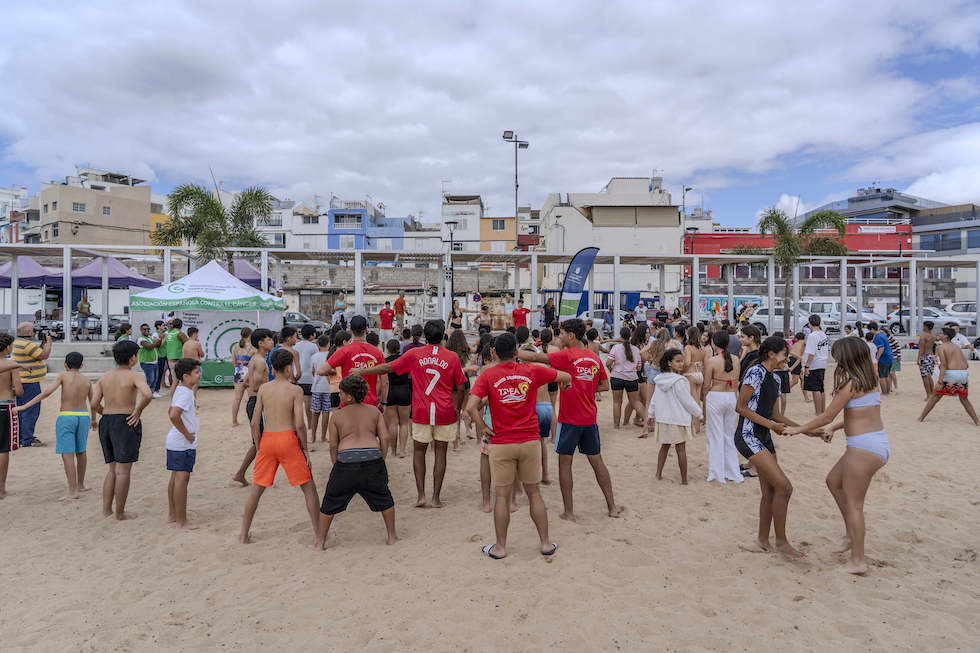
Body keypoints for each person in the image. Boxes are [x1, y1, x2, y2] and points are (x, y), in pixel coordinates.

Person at [787, 337, 888, 574]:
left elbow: (826, 416)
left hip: (863, 448)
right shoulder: (870, 380)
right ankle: (852, 536)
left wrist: (798, 429)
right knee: (833, 481)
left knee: (855, 506)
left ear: (846, 357)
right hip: (875, 443)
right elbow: (860, 415)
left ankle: (858, 561)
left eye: (837, 354)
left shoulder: (850, 384)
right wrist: (833, 429)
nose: (835, 358)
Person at [468, 332, 566, 559]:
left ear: (493, 352)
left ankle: (500, 547)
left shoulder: (488, 375)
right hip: (530, 440)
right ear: (516, 352)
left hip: (501, 441)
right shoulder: (532, 371)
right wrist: (568, 385)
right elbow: (564, 376)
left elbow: (472, 406)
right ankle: (545, 543)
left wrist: (483, 427)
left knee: (501, 496)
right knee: (535, 494)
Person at [353, 320, 466, 508]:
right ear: (443, 338)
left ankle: (421, 495)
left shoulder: (414, 354)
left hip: (421, 411)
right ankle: (436, 498)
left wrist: (362, 371)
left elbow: (387, 367)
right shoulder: (452, 357)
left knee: (419, 452)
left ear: (424, 336)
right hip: (444, 411)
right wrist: (458, 408)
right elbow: (461, 386)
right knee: (441, 454)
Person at [518, 318, 617, 521]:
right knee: (598, 463)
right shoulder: (593, 357)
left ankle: (569, 513)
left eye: (562, 334)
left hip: (570, 419)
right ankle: (612, 507)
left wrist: (513, 352)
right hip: (590, 419)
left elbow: (537, 359)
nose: (560, 337)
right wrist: (585, 386)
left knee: (565, 464)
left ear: (571, 336)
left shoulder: (567, 355)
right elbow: (604, 387)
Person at [735, 336, 822, 561]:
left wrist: (805, 429)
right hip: (749, 435)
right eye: (785, 355)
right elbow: (741, 407)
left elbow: (776, 415)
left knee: (771, 491)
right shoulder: (755, 372)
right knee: (784, 488)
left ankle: (762, 541)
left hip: (763, 435)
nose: (788, 360)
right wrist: (771, 425)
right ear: (772, 354)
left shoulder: (774, 378)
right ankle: (781, 543)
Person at [239, 349, 320, 544]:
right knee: (308, 488)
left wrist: (259, 447)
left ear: (272, 368)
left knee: (257, 490)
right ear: (290, 367)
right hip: (288, 439)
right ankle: (319, 534)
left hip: (267, 438)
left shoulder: (264, 389)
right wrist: (305, 449)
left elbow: (254, 422)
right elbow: (300, 424)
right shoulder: (295, 390)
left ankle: (243, 535)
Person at [310, 375, 398, 550]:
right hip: (373, 459)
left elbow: (333, 446)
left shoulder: (337, 416)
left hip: (346, 462)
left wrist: (336, 465)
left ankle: (319, 543)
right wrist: (382, 461)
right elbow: (385, 438)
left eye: (341, 393)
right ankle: (392, 537)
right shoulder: (374, 412)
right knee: (384, 498)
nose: (339, 396)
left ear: (349, 397)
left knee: (330, 501)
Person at [14, 351, 94, 500]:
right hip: (84, 416)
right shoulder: (87, 380)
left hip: (67, 416)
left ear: (65, 364)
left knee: (67, 453)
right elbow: (93, 401)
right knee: (81, 450)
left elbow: (46, 393)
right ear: (81, 365)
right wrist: (94, 419)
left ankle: (72, 491)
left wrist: (24, 406)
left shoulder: (62, 376)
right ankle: (81, 485)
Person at [91, 340, 153, 520]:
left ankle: (106, 510)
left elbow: (94, 404)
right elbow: (147, 395)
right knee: (123, 471)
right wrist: (138, 409)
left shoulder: (105, 376)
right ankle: (119, 513)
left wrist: (107, 414)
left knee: (112, 469)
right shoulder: (134, 376)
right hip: (125, 421)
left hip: (107, 420)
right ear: (133, 357)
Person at [651, 348, 704, 484]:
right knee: (681, 449)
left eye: (681, 361)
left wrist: (651, 414)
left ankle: (658, 475)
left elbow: (654, 399)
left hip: (664, 418)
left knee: (665, 446)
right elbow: (688, 401)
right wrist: (699, 414)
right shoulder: (679, 381)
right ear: (669, 363)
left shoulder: (659, 379)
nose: (681, 364)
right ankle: (684, 480)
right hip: (679, 419)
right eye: (677, 361)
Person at [231, 328, 275, 486]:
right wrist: (271, 385)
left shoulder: (256, 359)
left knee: (258, 443)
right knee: (261, 444)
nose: (273, 342)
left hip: (255, 403)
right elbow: (255, 387)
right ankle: (261, 478)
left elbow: (245, 383)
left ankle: (240, 473)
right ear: (261, 343)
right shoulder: (260, 361)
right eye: (269, 340)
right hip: (257, 403)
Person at [317, 316, 388, 410]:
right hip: (370, 404)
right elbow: (385, 382)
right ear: (366, 329)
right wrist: (383, 402)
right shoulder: (377, 353)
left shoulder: (344, 351)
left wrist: (330, 371)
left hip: (348, 404)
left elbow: (319, 371)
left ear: (350, 330)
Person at [701, 331, 743, 484]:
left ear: (714, 343)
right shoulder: (736, 359)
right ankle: (732, 472)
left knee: (715, 436)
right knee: (728, 436)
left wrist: (704, 401)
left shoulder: (712, 361)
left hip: (715, 397)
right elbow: (737, 382)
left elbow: (706, 385)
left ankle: (717, 473)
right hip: (731, 397)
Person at [166, 358, 202, 531]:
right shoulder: (186, 393)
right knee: (182, 479)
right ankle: (181, 521)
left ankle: (173, 514)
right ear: (186, 376)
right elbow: (173, 415)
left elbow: (171, 411)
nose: (200, 374)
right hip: (182, 442)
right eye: (197, 372)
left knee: (176, 478)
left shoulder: (181, 390)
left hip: (177, 441)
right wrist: (186, 433)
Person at [918, 327, 980, 425]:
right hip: (963, 373)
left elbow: (943, 365)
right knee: (964, 399)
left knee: (935, 396)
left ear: (945, 336)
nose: (939, 334)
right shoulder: (956, 347)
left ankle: (921, 418)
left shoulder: (940, 347)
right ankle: (977, 421)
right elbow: (966, 364)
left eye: (941, 333)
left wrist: (940, 381)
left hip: (951, 373)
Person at [12, 322, 54, 447]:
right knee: (31, 411)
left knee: (21, 410)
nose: (36, 332)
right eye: (34, 330)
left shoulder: (18, 342)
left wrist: (43, 343)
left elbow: (36, 354)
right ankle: (27, 439)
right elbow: (44, 355)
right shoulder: (26, 344)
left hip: (21, 382)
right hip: (29, 382)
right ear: (28, 332)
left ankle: (21, 437)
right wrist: (49, 342)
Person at [0, 333, 26, 499]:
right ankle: (1, 490)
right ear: (8, 347)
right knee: (3, 450)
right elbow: (20, 391)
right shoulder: (12, 365)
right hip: (6, 405)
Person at [606, 327, 645, 429]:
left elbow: (608, 363)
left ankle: (616, 425)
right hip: (632, 378)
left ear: (620, 336)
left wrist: (611, 369)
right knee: (635, 401)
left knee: (617, 402)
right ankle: (647, 422)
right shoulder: (636, 350)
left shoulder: (616, 348)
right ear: (630, 335)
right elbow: (639, 367)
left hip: (617, 376)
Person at [382, 339, 412, 458]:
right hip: (404, 390)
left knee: (393, 424)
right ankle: (403, 451)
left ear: (388, 350)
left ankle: (393, 452)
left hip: (391, 390)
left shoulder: (385, 361)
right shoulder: (404, 360)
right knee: (404, 423)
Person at [308, 334, 333, 446]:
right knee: (326, 412)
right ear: (328, 344)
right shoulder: (331, 356)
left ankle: (313, 437)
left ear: (317, 345)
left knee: (315, 412)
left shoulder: (314, 356)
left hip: (317, 387)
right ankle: (323, 436)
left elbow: (313, 372)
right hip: (328, 387)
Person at [803, 315, 830, 412]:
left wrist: (807, 366)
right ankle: (822, 411)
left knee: (816, 389)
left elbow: (811, 352)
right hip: (822, 363)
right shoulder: (823, 334)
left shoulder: (812, 336)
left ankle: (818, 412)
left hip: (814, 364)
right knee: (821, 389)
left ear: (809, 324)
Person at [294, 324, 319, 429]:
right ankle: (309, 423)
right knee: (308, 401)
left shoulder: (295, 346)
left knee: (298, 402)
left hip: (297, 376)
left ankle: (299, 423)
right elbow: (317, 361)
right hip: (309, 377)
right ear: (312, 335)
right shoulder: (313, 346)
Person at [231, 327, 256, 427]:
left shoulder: (235, 347)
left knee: (237, 398)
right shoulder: (253, 347)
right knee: (252, 397)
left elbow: (233, 362)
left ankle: (234, 421)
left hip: (238, 370)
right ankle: (253, 418)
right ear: (250, 335)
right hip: (248, 371)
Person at [136, 324, 164, 400]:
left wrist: (159, 340)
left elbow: (158, 346)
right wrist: (158, 340)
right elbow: (150, 347)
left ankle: (151, 393)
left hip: (153, 361)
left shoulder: (150, 338)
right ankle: (146, 394)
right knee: (150, 379)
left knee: (155, 379)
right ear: (141, 330)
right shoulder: (141, 339)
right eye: (144, 329)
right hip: (147, 362)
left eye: (148, 329)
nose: (147, 330)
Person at [869, 322, 893, 396]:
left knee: (881, 376)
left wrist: (877, 358)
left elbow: (881, 348)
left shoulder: (878, 337)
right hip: (890, 357)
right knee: (887, 375)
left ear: (872, 329)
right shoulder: (883, 334)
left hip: (884, 358)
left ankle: (885, 392)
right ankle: (888, 392)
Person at [165, 319, 188, 396]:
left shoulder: (168, 335)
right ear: (181, 325)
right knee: (184, 380)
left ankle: (173, 399)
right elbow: (188, 344)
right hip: (179, 359)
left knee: (175, 381)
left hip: (170, 358)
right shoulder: (180, 334)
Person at [917, 321, 938, 400]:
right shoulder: (933, 336)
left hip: (925, 356)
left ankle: (929, 394)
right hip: (931, 355)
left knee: (924, 376)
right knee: (929, 375)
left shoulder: (923, 336)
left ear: (925, 327)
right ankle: (932, 393)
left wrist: (918, 358)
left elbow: (921, 348)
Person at [154, 321, 168, 392]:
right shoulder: (155, 334)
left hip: (164, 354)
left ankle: (158, 389)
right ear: (158, 326)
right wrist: (163, 339)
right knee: (158, 373)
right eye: (163, 325)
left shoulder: (164, 333)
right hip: (160, 355)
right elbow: (157, 346)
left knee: (161, 372)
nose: (164, 326)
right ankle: (155, 390)